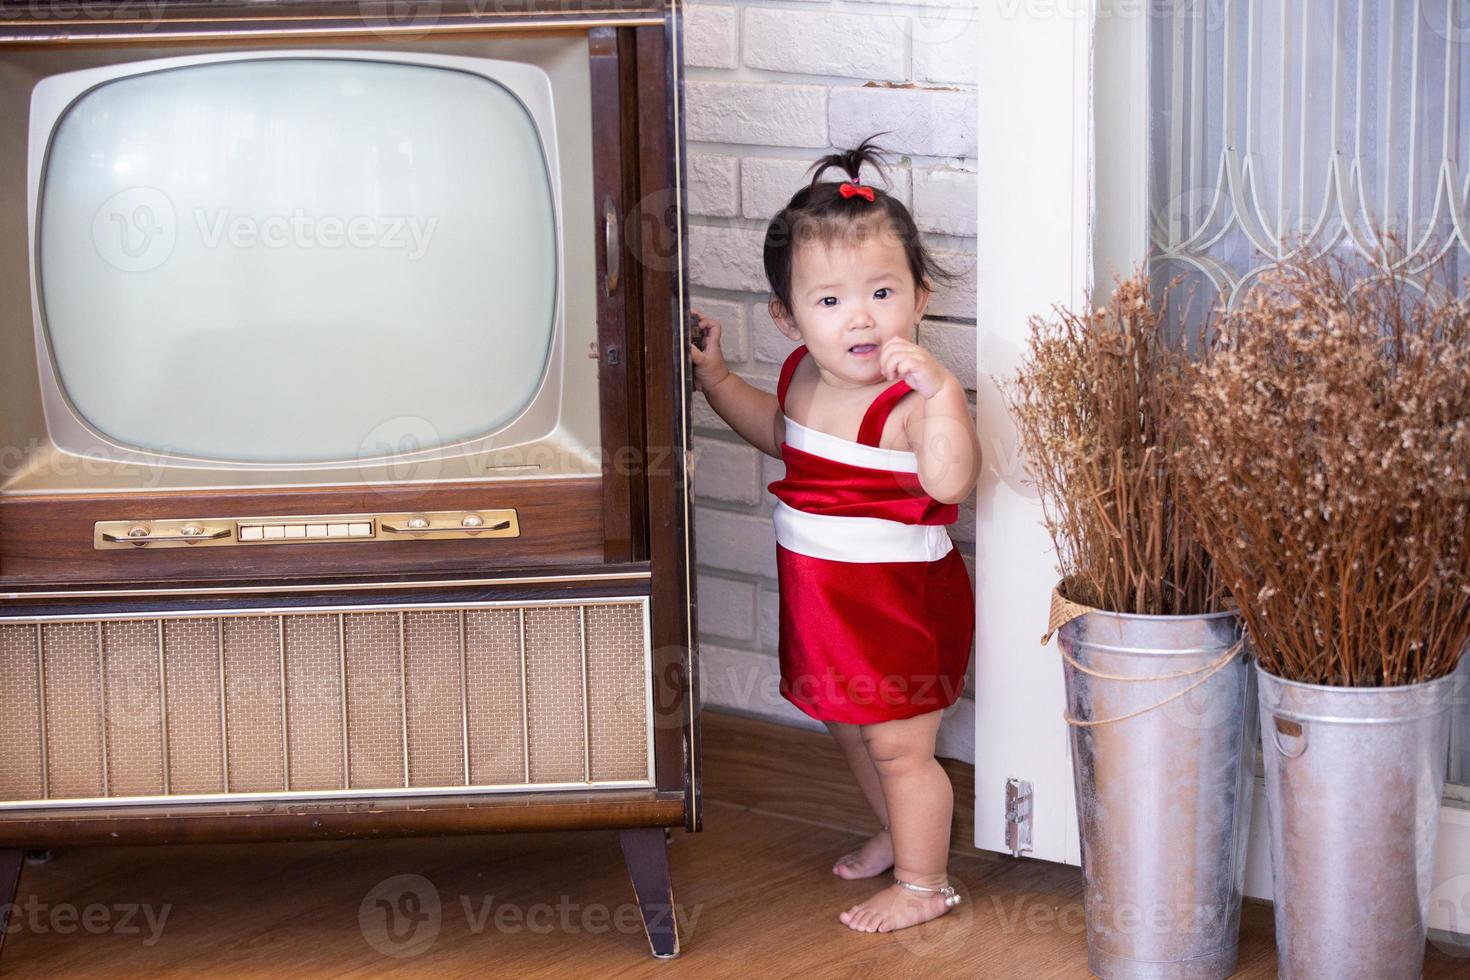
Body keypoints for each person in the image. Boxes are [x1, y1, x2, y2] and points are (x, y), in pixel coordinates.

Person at [689, 135, 981, 934]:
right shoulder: (802, 378)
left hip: (898, 612)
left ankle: (927, 883)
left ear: (919, 297)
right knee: (850, 730)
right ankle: (896, 831)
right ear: (787, 316)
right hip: (826, 604)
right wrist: (716, 380)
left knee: (902, 749)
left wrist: (946, 397)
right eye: (829, 302)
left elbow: (951, 481)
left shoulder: (911, 400)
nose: (860, 317)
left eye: (882, 293)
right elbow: (783, 439)